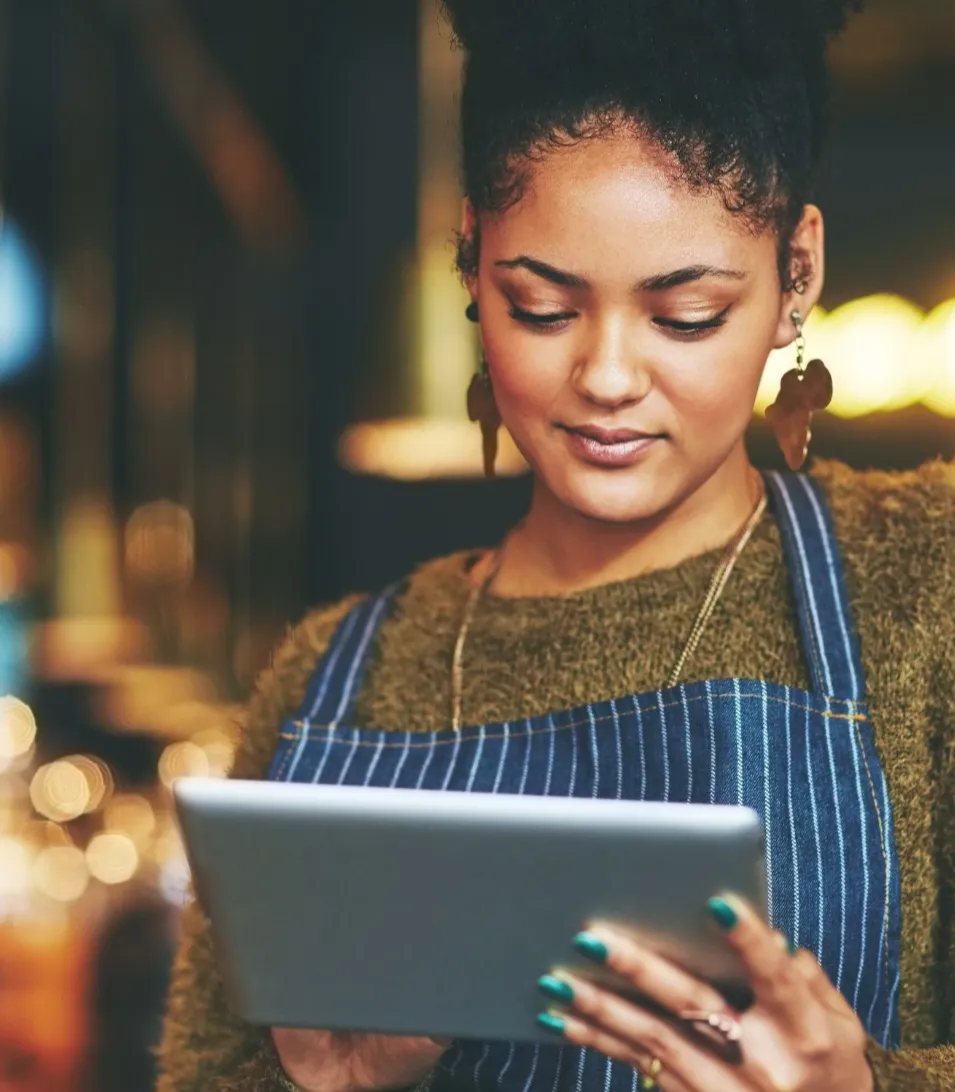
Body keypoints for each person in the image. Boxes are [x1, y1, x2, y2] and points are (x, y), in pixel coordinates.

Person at [156, 0, 955, 1088]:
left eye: (685, 315)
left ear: (795, 277)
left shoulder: (923, 579)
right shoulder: (330, 679)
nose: (608, 377)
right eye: (541, 308)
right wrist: (325, 1083)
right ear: (473, 272)